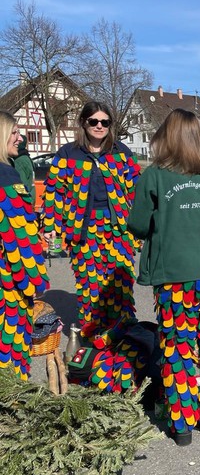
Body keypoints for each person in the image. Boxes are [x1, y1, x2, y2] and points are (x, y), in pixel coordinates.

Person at [128, 108, 200, 446]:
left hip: (175, 276)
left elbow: (137, 224)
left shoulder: (155, 175)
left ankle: (183, 425)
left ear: (167, 137)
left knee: (179, 348)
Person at [42, 101, 139, 338]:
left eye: (105, 122)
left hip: (118, 231)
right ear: (83, 123)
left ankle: (123, 335)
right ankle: (93, 334)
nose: (99, 126)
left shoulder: (121, 151)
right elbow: (55, 191)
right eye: (94, 121)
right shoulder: (68, 153)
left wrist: (144, 223)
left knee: (120, 284)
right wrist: (51, 224)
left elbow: (136, 190)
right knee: (89, 285)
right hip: (83, 231)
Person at [0, 111, 49, 380]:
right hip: (9, 279)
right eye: (15, 133)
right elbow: (18, 238)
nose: (20, 139)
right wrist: (35, 278)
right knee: (11, 343)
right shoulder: (7, 175)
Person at [11, 134, 34, 203]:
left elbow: (21, 184)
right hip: (31, 195)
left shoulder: (19, 161)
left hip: (24, 199)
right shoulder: (26, 157)